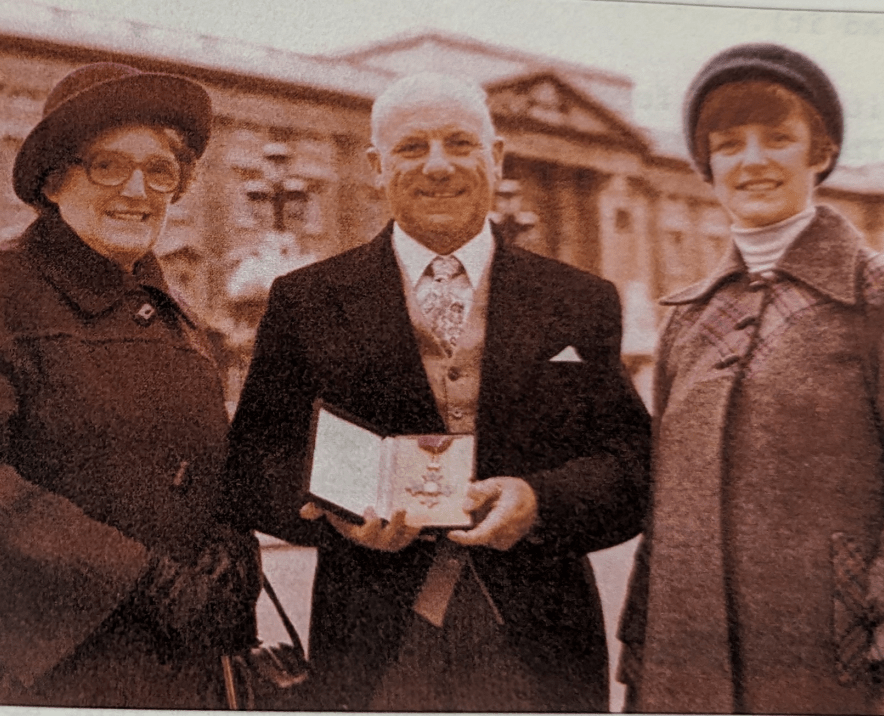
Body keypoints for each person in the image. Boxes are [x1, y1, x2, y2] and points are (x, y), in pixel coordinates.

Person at [226, 72, 651, 712]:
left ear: (496, 156)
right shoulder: (307, 299)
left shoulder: (578, 301)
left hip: (539, 647)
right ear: (375, 165)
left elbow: (632, 466)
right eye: (410, 147)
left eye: (459, 143)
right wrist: (339, 517)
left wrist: (540, 502)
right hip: (374, 646)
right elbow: (254, 464)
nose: (437, 166)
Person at [0, 62, 261, 708]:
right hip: (39, 675)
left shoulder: (177, 317)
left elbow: (209, 471)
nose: (139, 188)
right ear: (54, 179)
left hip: (175, 671)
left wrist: (230, 554)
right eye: (108, 165)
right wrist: (139, 580)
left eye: (160, 170)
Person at [618, 43, 884, 714]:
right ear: (707, 166)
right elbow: (663, 510)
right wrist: (643, 667)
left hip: (837, 674)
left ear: (818, 153)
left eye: (777, 138)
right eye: (728, 144)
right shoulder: (687, 318)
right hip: (686, 683)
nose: (752, 160)